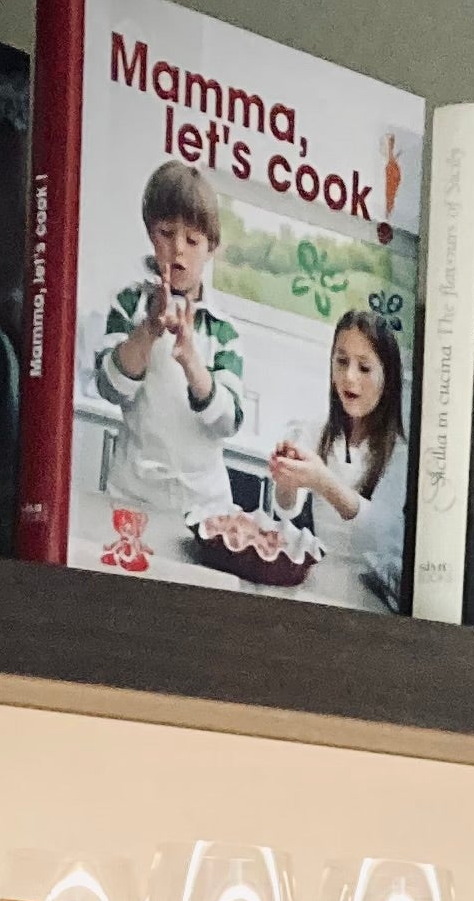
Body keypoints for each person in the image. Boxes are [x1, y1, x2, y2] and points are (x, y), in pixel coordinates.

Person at [97, 156, 243, 518]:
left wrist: (192, 361)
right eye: (166, 234)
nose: (178, 249)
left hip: (206, 507)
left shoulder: (223, 329)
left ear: (211, 250)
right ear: (150, 233)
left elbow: (228, 422)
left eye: (192, 240)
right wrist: (148, 331)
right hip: (132, 495)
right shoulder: (129, 303)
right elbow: (110, 388)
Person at [271, 306, 409, 607]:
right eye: (341, 362)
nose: (349, 377)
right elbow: (286, 511)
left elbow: (380, 530)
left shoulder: (400, 454)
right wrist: (286, 479)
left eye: (364, 367)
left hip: (373, 600)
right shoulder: (315, 429)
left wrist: (323, 481)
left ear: (388, 379)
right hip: (316, 586)